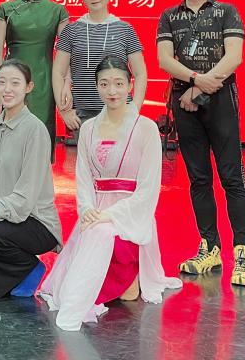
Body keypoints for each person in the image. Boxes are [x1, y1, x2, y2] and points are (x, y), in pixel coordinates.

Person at [38, 55, 182, 331]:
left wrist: (109, 215)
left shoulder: (146, 129)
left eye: (118, 83)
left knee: (107, 246)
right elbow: (83, 179)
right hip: (94, 213)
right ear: (96, 87)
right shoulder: (88, 128)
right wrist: (87, 211)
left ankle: (115, 281)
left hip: (130, 216)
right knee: (96, 233)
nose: (112, 91)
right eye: (104, 84)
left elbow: (148, 191)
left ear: (130, 85)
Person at [156, 0, 245, 287]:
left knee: (232, 178)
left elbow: (234, 56)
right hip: (184, 101)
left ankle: (243, 251)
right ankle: (209, 247)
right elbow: (164, 60)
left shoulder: (227, 11)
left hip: (220, 100)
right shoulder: (169, 16)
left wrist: (200, 87)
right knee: (198, 179)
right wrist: (196, 81)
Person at [0, 59, 63, 298]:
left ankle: (28, 266)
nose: (7, 89)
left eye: (15, 83)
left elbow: (25, 195)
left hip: (34, 221)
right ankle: (20, 269)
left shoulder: (35, 130)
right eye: (2, 82)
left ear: (29, 87)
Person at [52, 0, 148, 142]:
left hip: (120, 113)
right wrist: (64, 111)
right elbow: (58, 72)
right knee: (89, 158)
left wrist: (133, 109)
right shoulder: (71, 31)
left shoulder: (125, 29)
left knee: (120, 158)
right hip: (82, 115)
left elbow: (140, 73)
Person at [0, 0, 70, 150]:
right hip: (11, 83)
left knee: (41, 143)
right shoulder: (5, 9)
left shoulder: (57, 11)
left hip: (45, 83)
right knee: (10, 144)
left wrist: (66, 84)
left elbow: (66, 55)